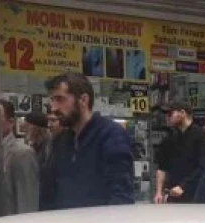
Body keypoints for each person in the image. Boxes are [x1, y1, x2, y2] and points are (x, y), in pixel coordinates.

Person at [42, 72, 135, 210]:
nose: (54, 108)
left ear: (83, 100)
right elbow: (50, 193)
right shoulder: (62, 141)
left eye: (60, 99)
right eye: (52, 100)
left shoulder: (111, 135)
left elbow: (121, 196)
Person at [154, 102, 205, 204]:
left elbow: (204, 166)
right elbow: (162, 167)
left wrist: (183, 186)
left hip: (195, 194)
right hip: (173, 193)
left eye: (170, 114)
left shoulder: (201, 135)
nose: (167, 117)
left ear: (182, 113)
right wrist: (158, 192)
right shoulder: (169, 139)